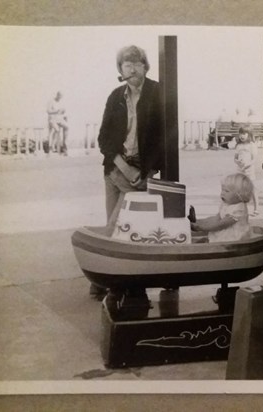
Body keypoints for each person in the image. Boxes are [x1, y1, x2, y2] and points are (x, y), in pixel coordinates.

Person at [95, 45, 164, 299]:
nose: (132, 68)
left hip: (139, 173)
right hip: (114, 169)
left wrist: (149, 171)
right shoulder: (115, 96)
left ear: (146, 66)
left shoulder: (157, 92)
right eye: (126, 64)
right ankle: (108, 280)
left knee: (118, 227)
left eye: (137, 63)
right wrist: (121, 166)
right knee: (112, 225)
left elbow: (165, 137)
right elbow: (103, 138)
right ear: (120, 69)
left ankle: (106, 280)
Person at [190, 173, 253, 243]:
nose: (222, 193)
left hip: (233, 240)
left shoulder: (239, 209)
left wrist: (200, 227)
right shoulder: (226, 204)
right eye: (222, 190)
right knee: (204, 240)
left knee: (207, 242)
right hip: (225, 235)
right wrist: (197, 221)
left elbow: (221, 225)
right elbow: (216, 218)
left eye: (226, 191)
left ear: (239, 195)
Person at [234, 127, 258, 216]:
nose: (242, 136)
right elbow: (235, 158)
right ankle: (243, 209)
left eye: (244, 134)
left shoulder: (252, 145)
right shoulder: (238, 146)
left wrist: (248, 165)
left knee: (252, 188)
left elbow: (254, 159)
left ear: (249, 135)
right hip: (240, 170)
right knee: (240, 189)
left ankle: (256, 208)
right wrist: (238, 162)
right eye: (240, 134)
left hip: (249, 170)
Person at [46, 91, 69, 155]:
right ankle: (51, 146)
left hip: (60, 119)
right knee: (57, 130)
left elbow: (63, 112)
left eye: (61, 97)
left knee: (67, 127)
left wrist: (64, 114)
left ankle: (65, 147)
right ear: (57, 95)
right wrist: (56, 111)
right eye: (59, 96)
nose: (60, 98)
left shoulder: (61, 102)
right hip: (52, 119)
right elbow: (48, 111)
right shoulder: (51, 101)